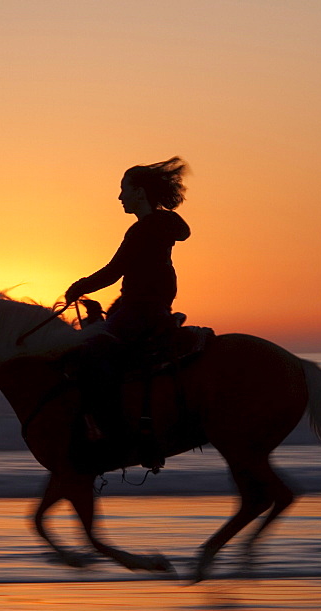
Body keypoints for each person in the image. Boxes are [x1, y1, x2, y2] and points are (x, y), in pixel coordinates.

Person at [63, 157, 191, 444]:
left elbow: (114, 271)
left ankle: (111, 427)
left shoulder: (145, 229)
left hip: (140, 310)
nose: (120, 196)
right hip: (147, 308)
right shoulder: (159, 226)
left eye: (124, 189)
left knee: (90, 352)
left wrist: (78, 288)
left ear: (140, 193)